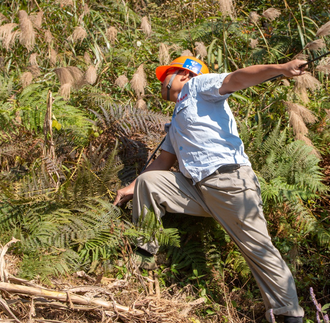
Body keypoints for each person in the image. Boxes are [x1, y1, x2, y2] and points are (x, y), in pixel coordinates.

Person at [114, 56, 308, 323]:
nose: (161, 81)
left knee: (258, 249)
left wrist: (281, 69)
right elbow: (163, 162)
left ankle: (289, 315)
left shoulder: (198, 85)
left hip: (229, 185)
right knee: (150, 182)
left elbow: (236, 79)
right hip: (199, 189)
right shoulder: (178, 116)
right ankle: (144, 255)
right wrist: (131, 188)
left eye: (165, 75)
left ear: (183, 74)